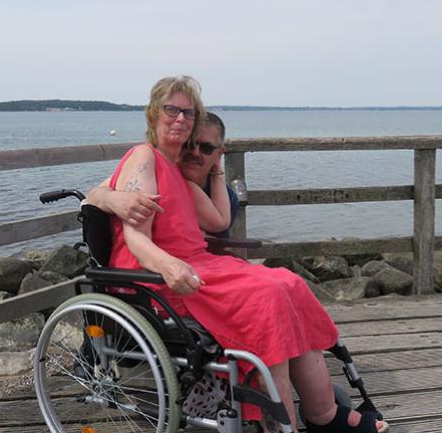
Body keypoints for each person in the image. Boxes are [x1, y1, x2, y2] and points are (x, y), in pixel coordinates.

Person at [104, 75, 387, 433]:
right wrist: (168, 263)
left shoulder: (175, 170)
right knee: (267, 297)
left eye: (188, 112)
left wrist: (215, 168)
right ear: (153, 113)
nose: (180, 118)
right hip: (157, 274)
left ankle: (323, 413)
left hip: (198, 263)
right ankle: (281, 426)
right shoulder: (143, 158)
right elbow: (134, 236)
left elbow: (220, 221)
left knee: (289, 283)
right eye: (171, 109)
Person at [87, 111, 239, 237]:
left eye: (206, 148)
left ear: (219, 154)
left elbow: (219, 237)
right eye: (188, 144)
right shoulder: (155, 174)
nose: (195, 152)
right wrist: (113, 199)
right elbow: (92, 196)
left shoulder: (226, 199)